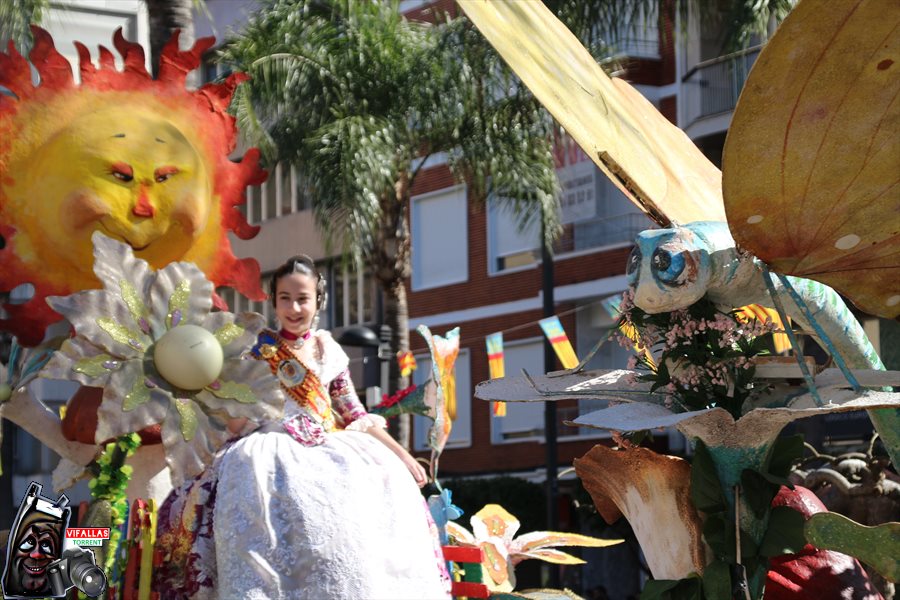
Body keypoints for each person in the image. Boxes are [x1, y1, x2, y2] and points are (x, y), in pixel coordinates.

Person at [154, 256, 451, 599]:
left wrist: (401, 454)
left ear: (318, 301)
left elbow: (352, 411)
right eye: (285, 298)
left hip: (330, 442)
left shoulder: (330, 350)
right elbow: (236, 413)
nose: (294, 307)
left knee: (376, 487)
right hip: (269, 444)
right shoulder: (258, 350)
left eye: (302, 298)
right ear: (274, 301)